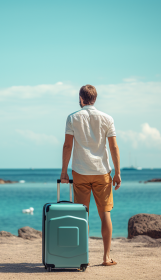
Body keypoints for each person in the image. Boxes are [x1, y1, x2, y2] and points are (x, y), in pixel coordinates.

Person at [60, 84, 121, 266]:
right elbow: (113, 147)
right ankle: (106, 257)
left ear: (81, 99)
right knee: (105, 214)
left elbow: (67, 146)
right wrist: (117, 173)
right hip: (102, 172)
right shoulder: (107, 118)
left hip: (80, 171)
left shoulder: (72, 118)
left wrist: (64, 172)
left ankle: (80, 256)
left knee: (81, 215)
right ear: (95, 99)